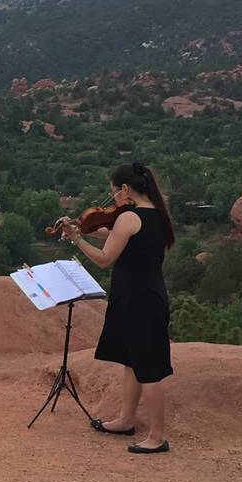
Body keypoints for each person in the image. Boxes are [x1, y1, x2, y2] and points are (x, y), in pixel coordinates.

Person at [58, 163, 175, 454]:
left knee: (148, 368)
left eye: (114, 193)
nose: (112, 201)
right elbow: (117, 237)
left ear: (125, 189)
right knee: (132, 361)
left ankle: (157, 438)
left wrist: (76, 239)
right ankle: (125, 419)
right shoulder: (155, 213)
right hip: (144, 296)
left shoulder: (129, 218)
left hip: (139, 300)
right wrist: (84, 229)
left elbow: (104, 258)